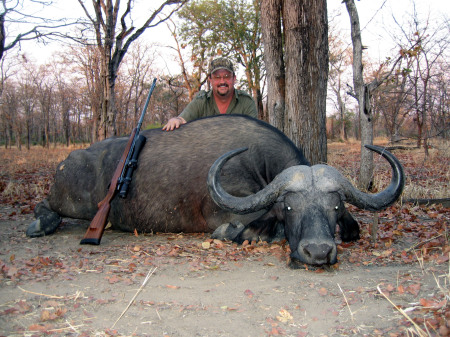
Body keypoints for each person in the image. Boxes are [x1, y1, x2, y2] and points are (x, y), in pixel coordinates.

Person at [162, 57, 257, 131]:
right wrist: (175, 120)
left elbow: (253, 133)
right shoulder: (201, 100)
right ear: (210, 80)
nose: (222, 81)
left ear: (234, 79)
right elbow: (183, 119)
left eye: (227, 76)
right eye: (217, 77)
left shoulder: (246, 102)